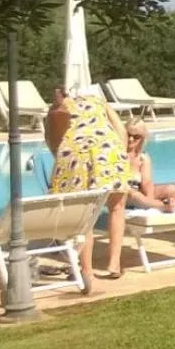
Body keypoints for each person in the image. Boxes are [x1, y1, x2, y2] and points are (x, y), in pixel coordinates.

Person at [44, 86, 131, 281]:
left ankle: (86, 271)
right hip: (110, 152)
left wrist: (60, 159)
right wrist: (120, 156)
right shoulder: (99, 101)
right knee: (117, 208)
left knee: (86, 216)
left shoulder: (58, 107)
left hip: (76, 154)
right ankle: (114, 264)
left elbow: (51, 138)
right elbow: (121, 130)